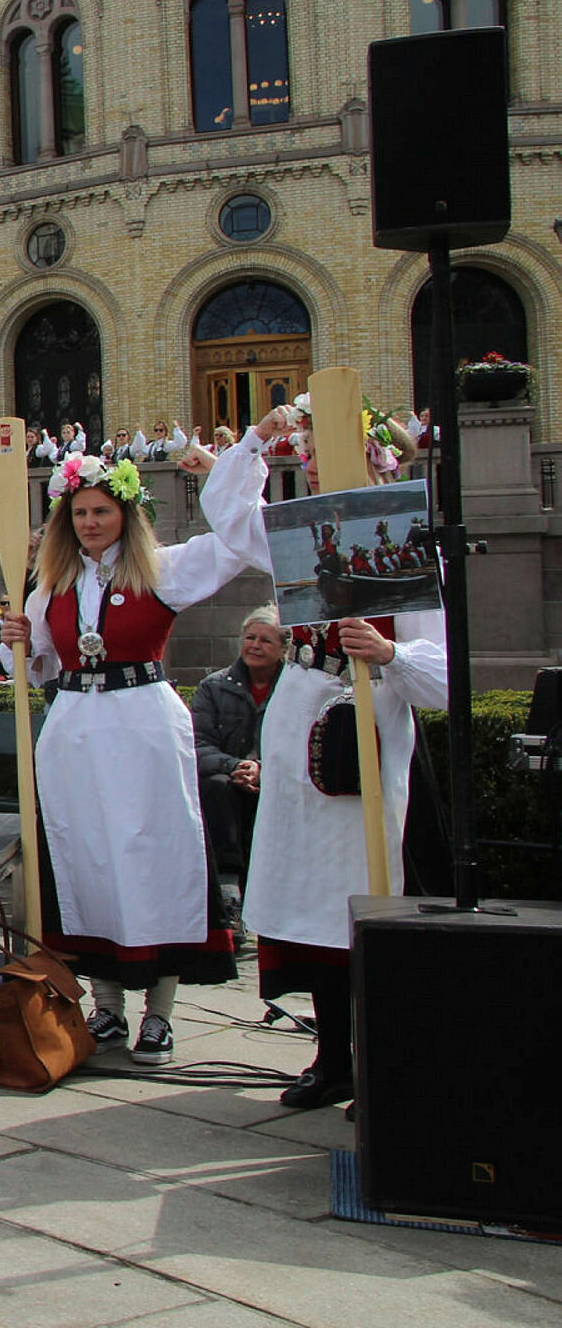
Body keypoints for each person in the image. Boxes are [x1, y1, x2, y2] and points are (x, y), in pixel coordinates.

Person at [0, 409, 287, 1065]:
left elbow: (238, 543)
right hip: (76, 727)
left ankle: (159, 1012)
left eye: (101, 511)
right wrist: (16, 640)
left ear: (125, 514)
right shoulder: (52, 586)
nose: (91, 523)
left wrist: (240, 455)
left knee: (153, 856)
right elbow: (40, 660)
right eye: (80, 514)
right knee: (89, 859)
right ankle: (106, 1006)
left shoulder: (162, 567)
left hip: (145, 724)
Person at [241, 410, 446, 1109]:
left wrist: (390, 652)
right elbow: (233, 521)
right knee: (310, 906)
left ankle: (385, 1059)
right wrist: (249, 447)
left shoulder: (406, 544)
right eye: (313, 460)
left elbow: (445, 673)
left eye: (333, 459)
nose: (319, 471)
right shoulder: (301, 539)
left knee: (364, 896)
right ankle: (332, 1057)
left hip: (368, 725)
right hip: (301, 720)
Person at [189, 607, 285, 911]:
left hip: (279, 780)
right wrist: (236, 767)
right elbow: (197, 744)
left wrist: (263, 771)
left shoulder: (295, 688)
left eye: (266, 641)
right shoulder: (213, 687)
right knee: (216, 787)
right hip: (228, 778)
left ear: (284, 649)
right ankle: (228, 889)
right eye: (250, 637)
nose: (255, 645)